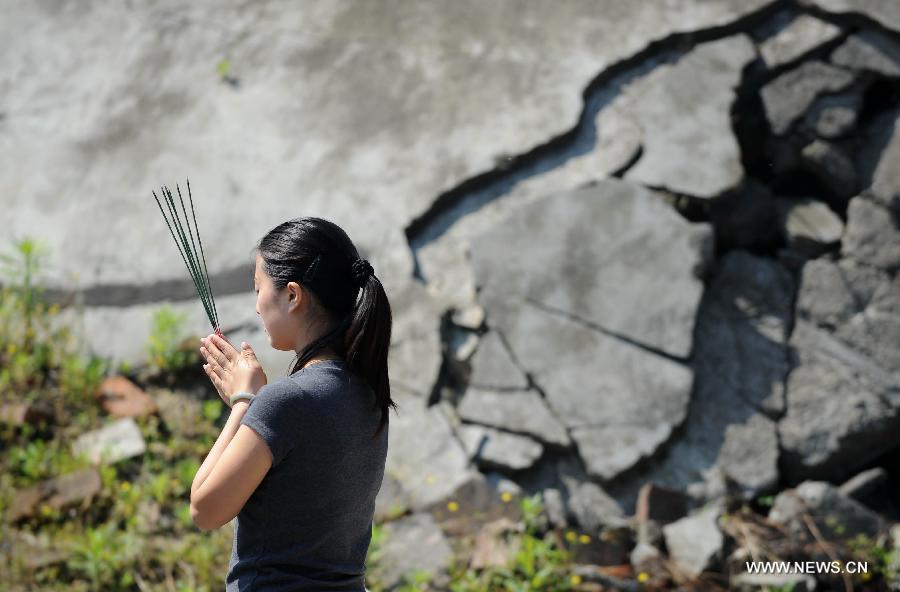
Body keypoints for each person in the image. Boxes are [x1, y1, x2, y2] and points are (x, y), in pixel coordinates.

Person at [189, 216, 397, 591]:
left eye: (258, 289)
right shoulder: (368, 398)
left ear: (292, 295)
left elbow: (205, 510)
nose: (256, 307)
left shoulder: (287, 402)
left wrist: (243, 401)